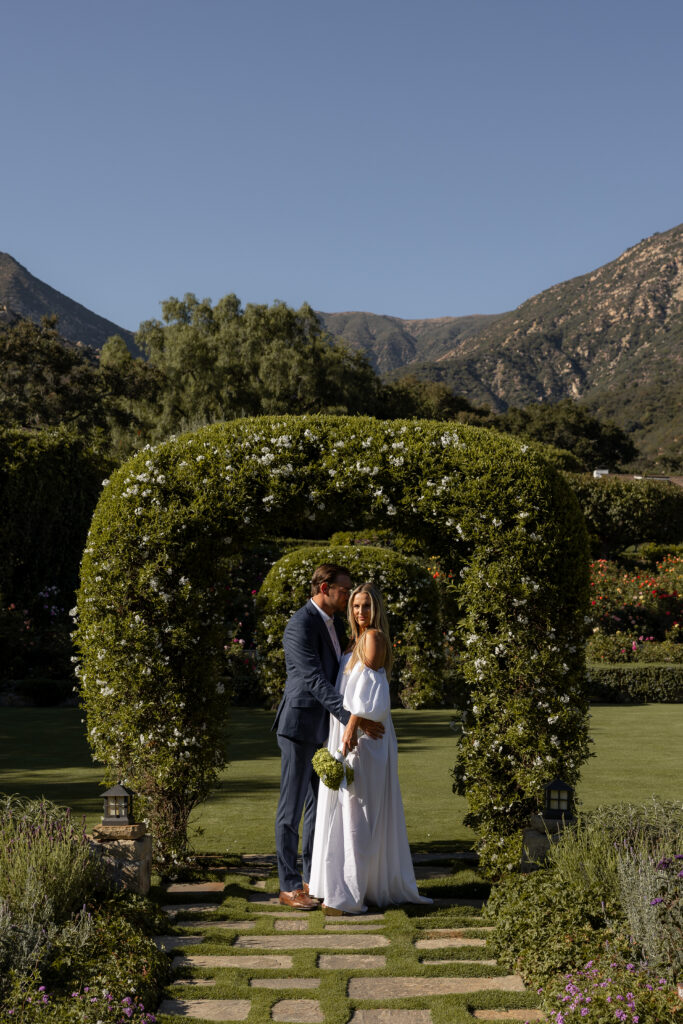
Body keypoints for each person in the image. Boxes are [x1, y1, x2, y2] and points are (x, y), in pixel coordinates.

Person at [308, 583, 432, 915]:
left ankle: (349, 896)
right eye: (356, 606)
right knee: (347, 807)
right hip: (352, 730)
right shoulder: (353, 641)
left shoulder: (373, 638)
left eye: (365, 606)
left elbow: (371, 694)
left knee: (358, 812)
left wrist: (351, 727)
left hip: (366, 738)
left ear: (375, 609)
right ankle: (343, 886)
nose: (360, 612)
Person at [273, 565, 385, 910]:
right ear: (325, 587)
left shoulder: (334, 625)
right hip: (298, 725)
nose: (349, 597)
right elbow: (313, 680)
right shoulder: (300, 624)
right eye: (344, 590)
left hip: (323, 729)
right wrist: (352, 718)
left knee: (316, 807)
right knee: (290, 809)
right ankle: (289, 885)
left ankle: (313, 878)